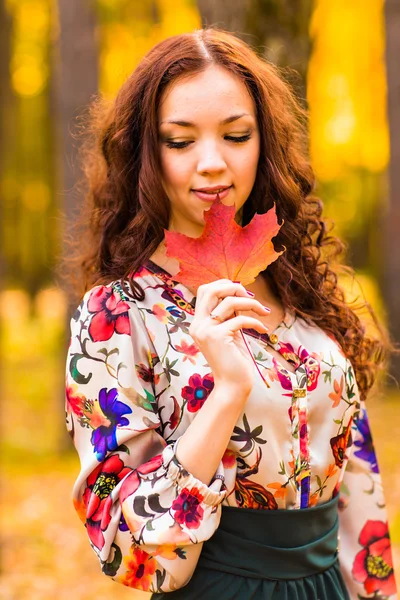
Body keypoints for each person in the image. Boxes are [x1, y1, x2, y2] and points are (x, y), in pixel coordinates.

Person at [64, 27, 398, 600]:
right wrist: (227, 393)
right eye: (181, 141)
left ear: (263, 141)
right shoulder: (118, 317)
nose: (213, 163)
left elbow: (357, 484)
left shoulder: (300, 286)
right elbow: (126, 546)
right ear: (146, 151)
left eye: (236, 135)